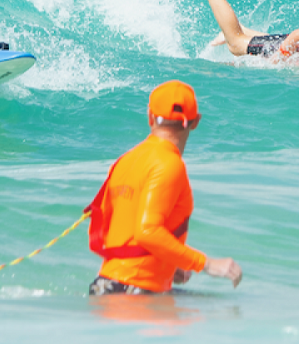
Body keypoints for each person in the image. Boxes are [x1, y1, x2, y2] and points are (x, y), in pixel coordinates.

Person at [85, 80, 244, 295]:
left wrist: (168, 262)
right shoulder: (169, 164)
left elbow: (117, 231)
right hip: (136, 291)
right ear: (196, 121)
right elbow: (147, 232)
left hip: (106, 285)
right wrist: (207, 264)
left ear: (150, 117)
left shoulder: (125, 160)